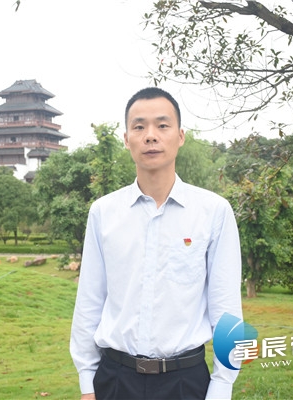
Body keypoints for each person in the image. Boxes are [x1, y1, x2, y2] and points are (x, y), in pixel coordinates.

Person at [70, 87, 243, 400]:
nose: (150, 136)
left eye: (162, 125)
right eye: (139, 127)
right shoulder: (104, 212)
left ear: (180, 136)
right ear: (127, 139)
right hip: (115, 380)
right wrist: (87, 382)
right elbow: (89, 301)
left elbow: (226, 309)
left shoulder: (213, 212)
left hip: (185, 381)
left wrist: (222, 387)